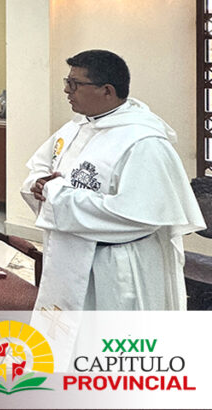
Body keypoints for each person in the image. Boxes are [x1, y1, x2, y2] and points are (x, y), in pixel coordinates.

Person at [23, 50, 204, 318]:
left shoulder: (143, 142)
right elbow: (40, 167)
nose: (66, 90)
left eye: (74, 84)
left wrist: (57, 196)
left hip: (114, 267)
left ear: (107, 90)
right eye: (67, 82)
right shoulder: (76, 127)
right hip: (67, 256)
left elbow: (138, 216)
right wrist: (38, 184)